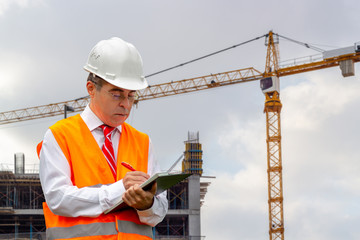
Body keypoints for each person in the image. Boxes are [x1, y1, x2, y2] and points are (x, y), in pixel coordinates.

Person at [38, 37, 168, 240]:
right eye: (116, 94)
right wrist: (119, 190)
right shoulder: (60, 135)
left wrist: (148, 205)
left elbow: (159, 212)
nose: (126, 104)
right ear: (91, 88)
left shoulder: (143, 142)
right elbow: (58, 198)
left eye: (131, 95)